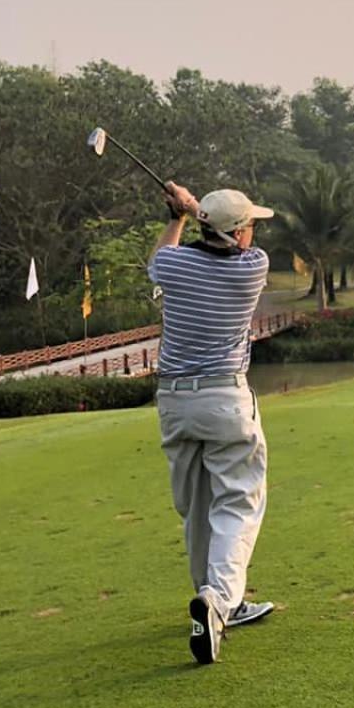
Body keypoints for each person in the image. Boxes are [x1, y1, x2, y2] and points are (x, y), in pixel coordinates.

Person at [149, 182, 276, 665]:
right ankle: (219, 602)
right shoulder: (252, 268)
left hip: (175, 401)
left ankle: (216, 596)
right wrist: (192, 208)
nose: (254, 233)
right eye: (250, 225)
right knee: (237, 503)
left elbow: (161, 258)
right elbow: (226, 244)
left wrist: (178, 216)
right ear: (239, 233)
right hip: (225, 398)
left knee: (196, 505)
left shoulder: (175, 264)